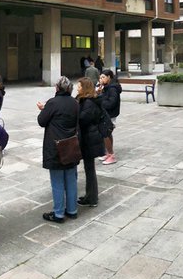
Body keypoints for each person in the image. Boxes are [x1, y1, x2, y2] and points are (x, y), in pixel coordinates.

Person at [37, 77, 80, 224]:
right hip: (71, 144)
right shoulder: (75, 103)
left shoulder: (53, 102)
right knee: (71, 179)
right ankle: (72, 210)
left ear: (57, 88)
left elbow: (41, 121)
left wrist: (44, 109)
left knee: (57, 181)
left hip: (55, 146)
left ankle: (59, 213)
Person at [75, 77, 108, 209]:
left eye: (79, 86)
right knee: (89, 168)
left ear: (85, 88)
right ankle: (90, 195)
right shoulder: (85, 100)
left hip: (90, 139)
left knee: (89, 169)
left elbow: (83, 119)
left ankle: (92, 197)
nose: (77, 88)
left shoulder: (89, 103)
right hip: (89, 138)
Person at [97, 69, 121, 165]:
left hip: (110, 114)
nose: (101, 79)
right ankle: (108, 152)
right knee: (107, 134)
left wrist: (100, 101)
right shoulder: (106, 87)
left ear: (109, 77)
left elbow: (111, 103)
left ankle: (111, 155)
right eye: (100, 77)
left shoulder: (112, 88)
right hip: (106, 114)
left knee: (105, 134)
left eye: (103, 77)